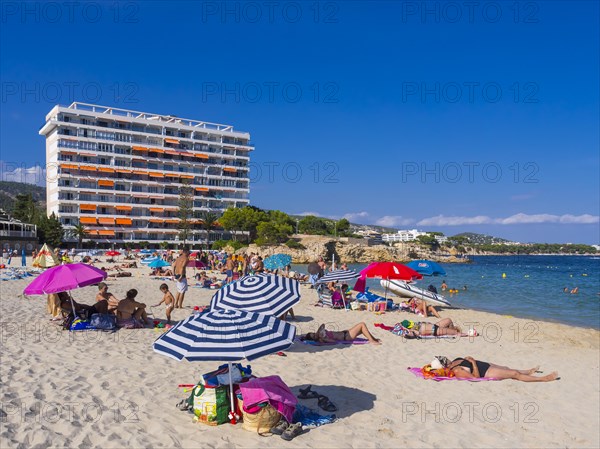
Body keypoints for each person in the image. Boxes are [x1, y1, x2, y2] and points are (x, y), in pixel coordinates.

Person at [441, 356, 559, 382]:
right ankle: (543, 379)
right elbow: (476, 378)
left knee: (506, 368)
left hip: (484, 364)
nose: (445, 359)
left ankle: (528, 371)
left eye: (442, 357)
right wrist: (473, 363)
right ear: (445, 367)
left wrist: (474, 361)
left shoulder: (455, 360)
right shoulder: (457, 371)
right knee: (514, 373)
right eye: (443, 361)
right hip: (485, 372)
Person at [301, 322, 381, 345]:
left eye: (314, 333)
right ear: (314, 338)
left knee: (363, 329)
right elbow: (334, 342)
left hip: (345, 332)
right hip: (346, 337)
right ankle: (371, 340)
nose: (315, 334)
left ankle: (373, 339)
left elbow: (323, 325)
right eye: (313, 335)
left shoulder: (321, 333)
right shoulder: (323, 339)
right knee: (362, 325)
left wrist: (318, 333)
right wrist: (323, 339)